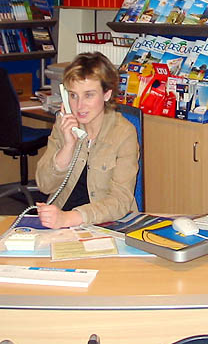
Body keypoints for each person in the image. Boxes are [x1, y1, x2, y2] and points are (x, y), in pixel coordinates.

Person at [35, 52, 139, 229]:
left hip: (105, 224)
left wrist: (69, 218)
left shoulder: (123, 133)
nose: (79, 106)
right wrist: (68, 146)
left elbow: (120, 201)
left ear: (106, 94)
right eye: (73, 95)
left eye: (88, 95)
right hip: (61, 221)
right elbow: (44, 185)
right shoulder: (64, 124)